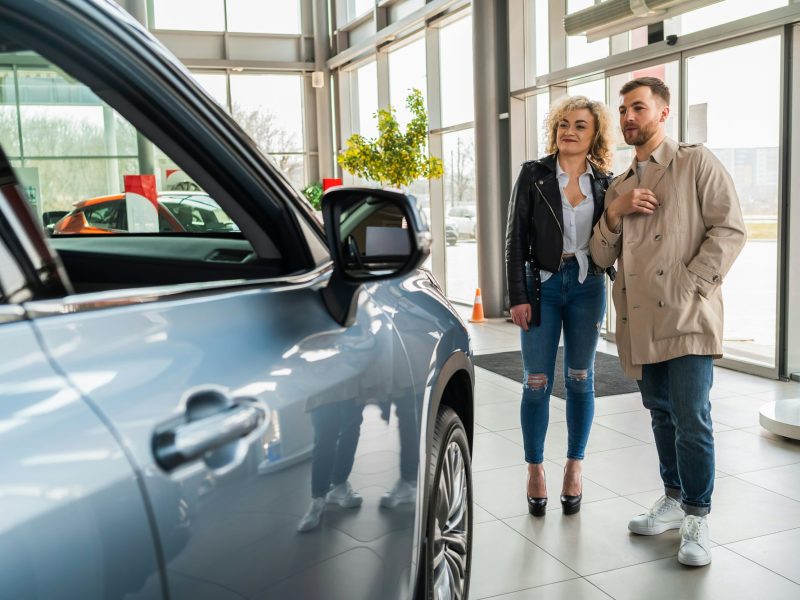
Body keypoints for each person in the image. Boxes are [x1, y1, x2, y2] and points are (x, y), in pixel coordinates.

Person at [589, 77, 746, 566]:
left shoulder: (695, 162)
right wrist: (614, 212)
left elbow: (730, 228)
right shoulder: (619, 184)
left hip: (686, 315)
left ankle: (698, 513)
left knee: (691, 417)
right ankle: (674, 499)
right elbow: (598, 254)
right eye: (623, 110)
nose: (628, 117)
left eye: (638, 107)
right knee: (660, 414)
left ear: (663, 113)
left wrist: (692, 285)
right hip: (640, 321)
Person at [505, 95, 615, 517]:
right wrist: (517, 295)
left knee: (580, 378)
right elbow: (515, 238)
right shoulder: (533, 175)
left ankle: (574, 464)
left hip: (587, 285)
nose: (569, 131)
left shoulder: (604, 182)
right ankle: (535, 468)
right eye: (564, 123)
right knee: (536, 381)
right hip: (542, 287)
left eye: (580, 125)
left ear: (594, 134)